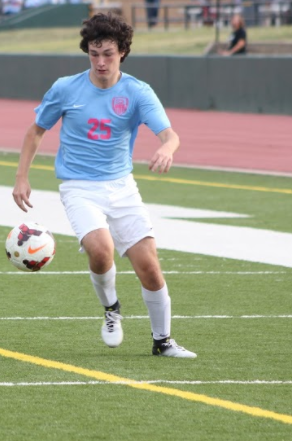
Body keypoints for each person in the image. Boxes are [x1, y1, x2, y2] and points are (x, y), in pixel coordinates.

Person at [12, 12, 196, 358]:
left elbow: (170, 135)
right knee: (100, 249)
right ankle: (112, 309)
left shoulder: (138, 92)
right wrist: (22, 176)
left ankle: (163, 341)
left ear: (122, 52)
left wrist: (166, 148)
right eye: (94, 53)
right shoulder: (66, 88)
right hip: (78, 186)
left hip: (122, 187)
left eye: (108, 53)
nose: (100, 61)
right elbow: (36, 130)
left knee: (150, 268)